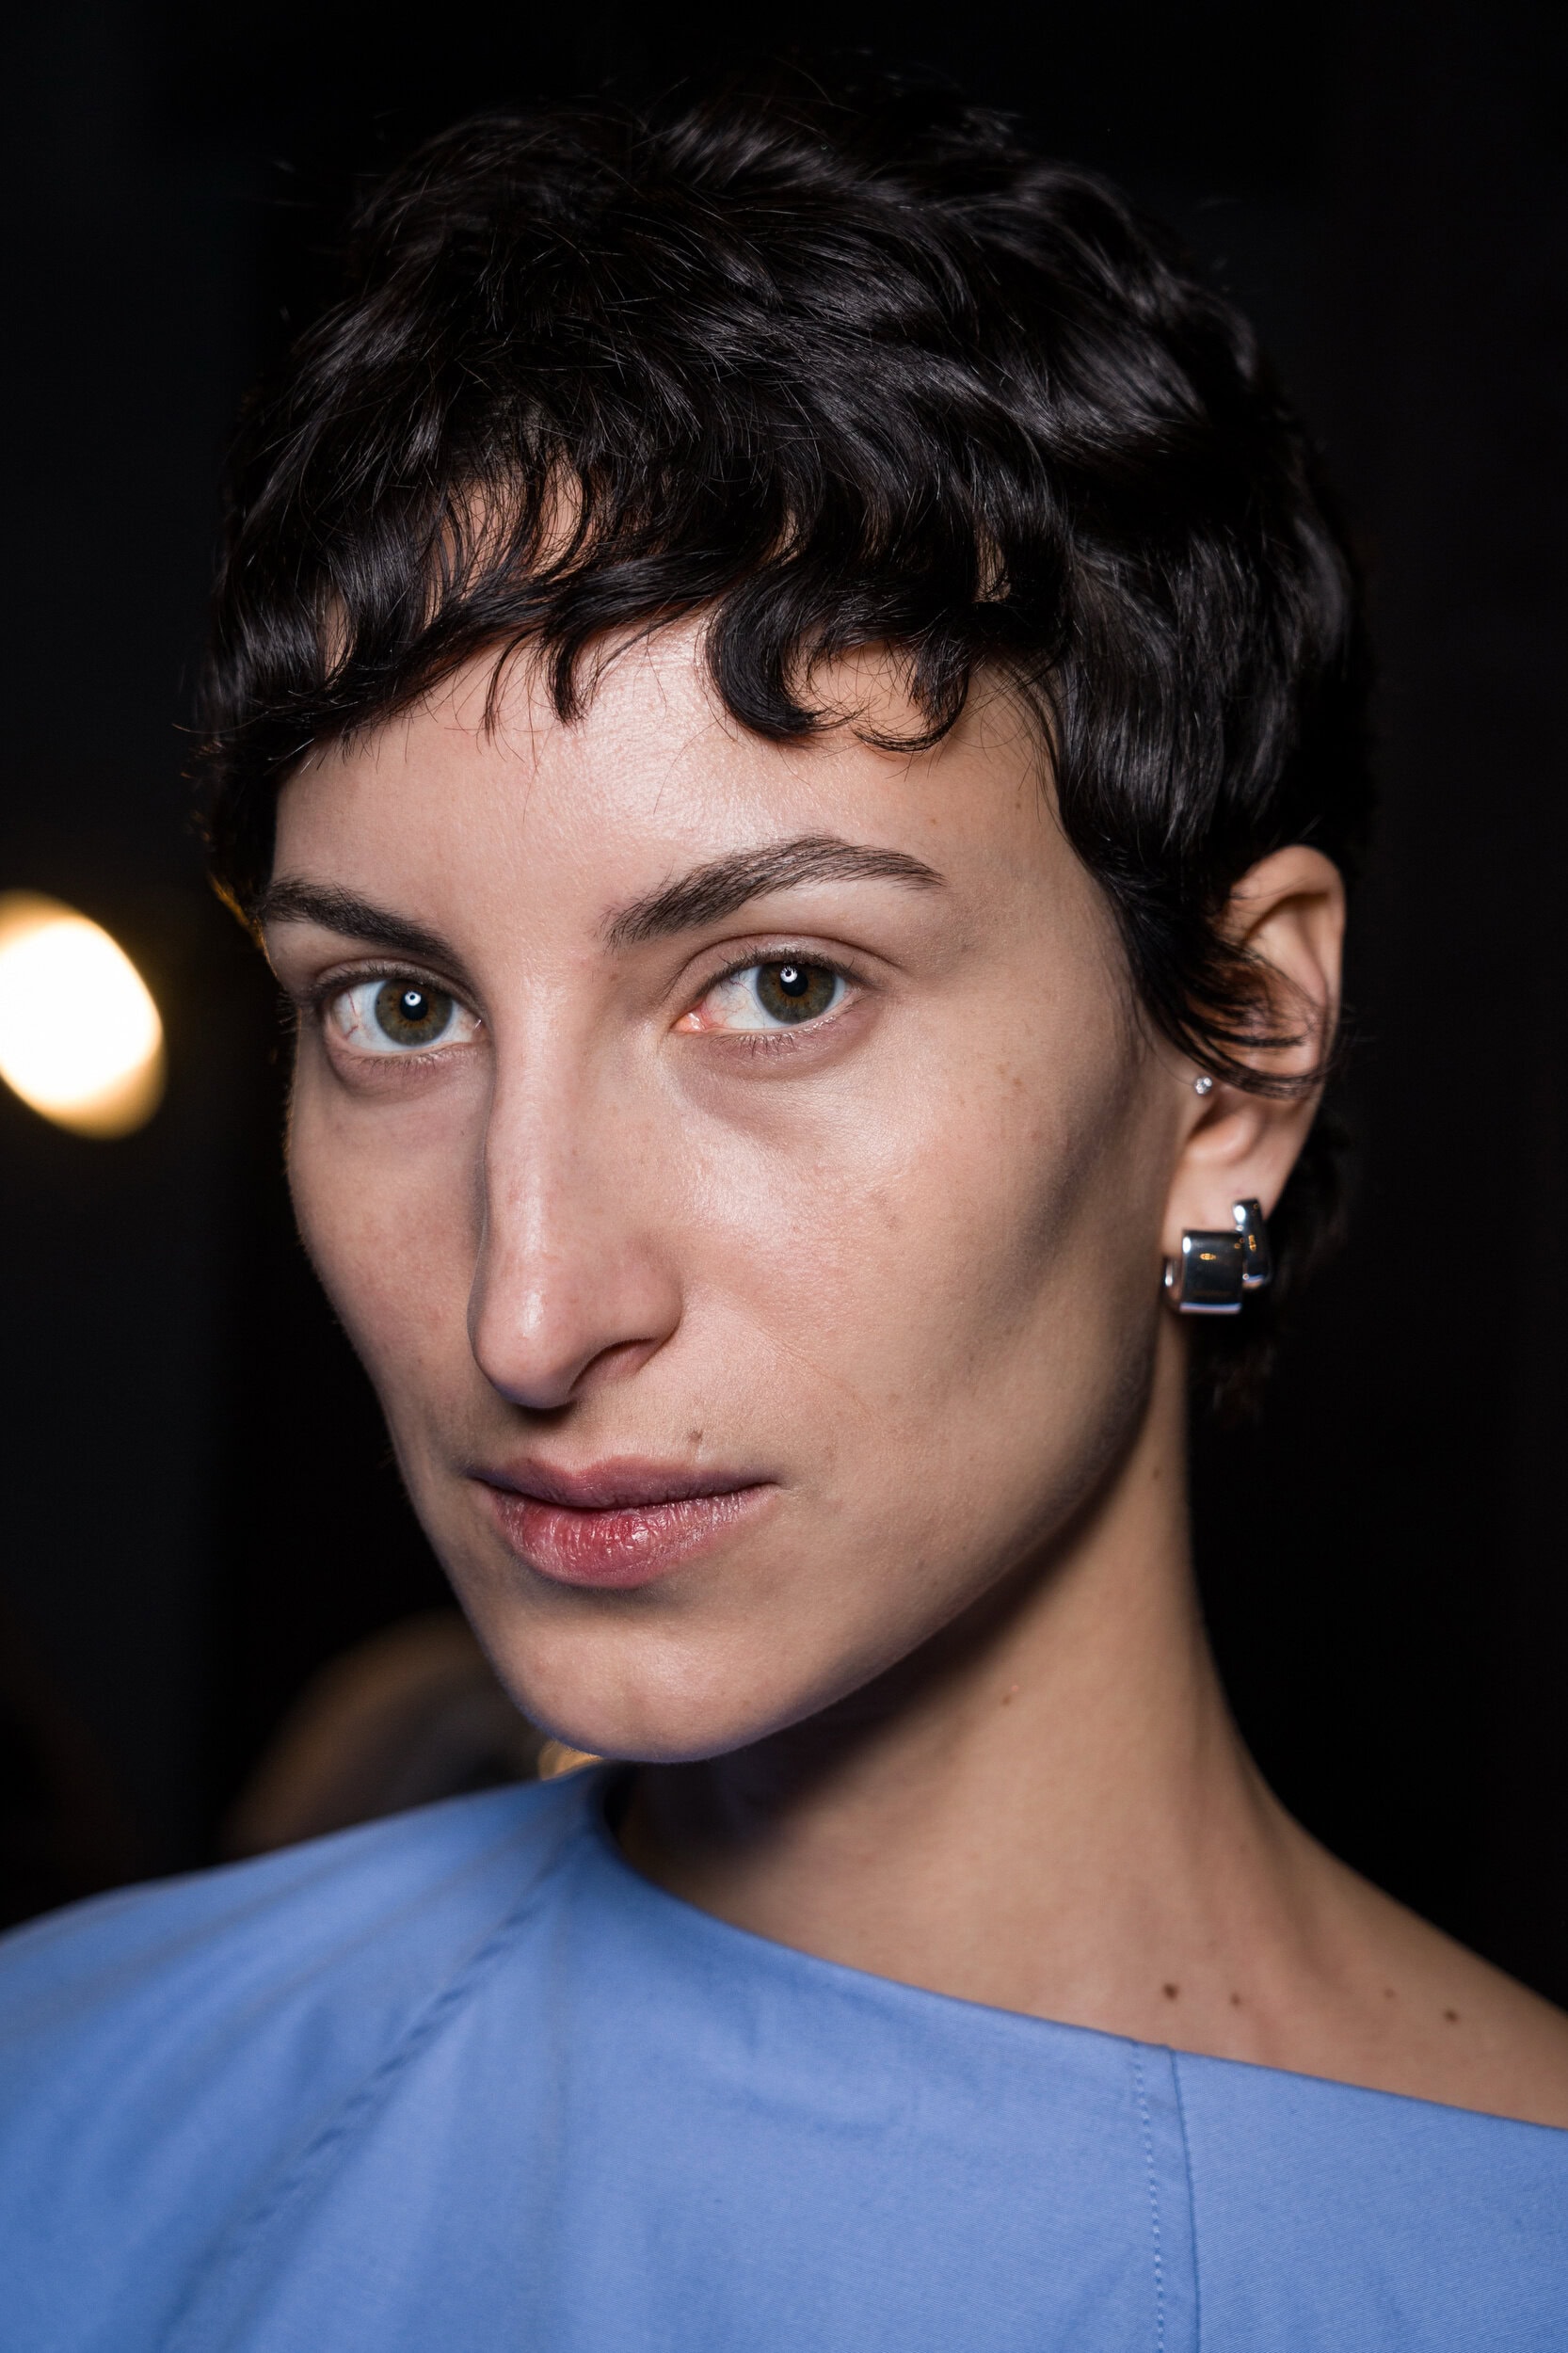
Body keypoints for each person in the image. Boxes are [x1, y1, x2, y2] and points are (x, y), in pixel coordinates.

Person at [3, 77, 1566, 2351]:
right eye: (400, 1007)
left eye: (780, 984)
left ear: (1234, 1051)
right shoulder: (60, 2113)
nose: (529, 1307)